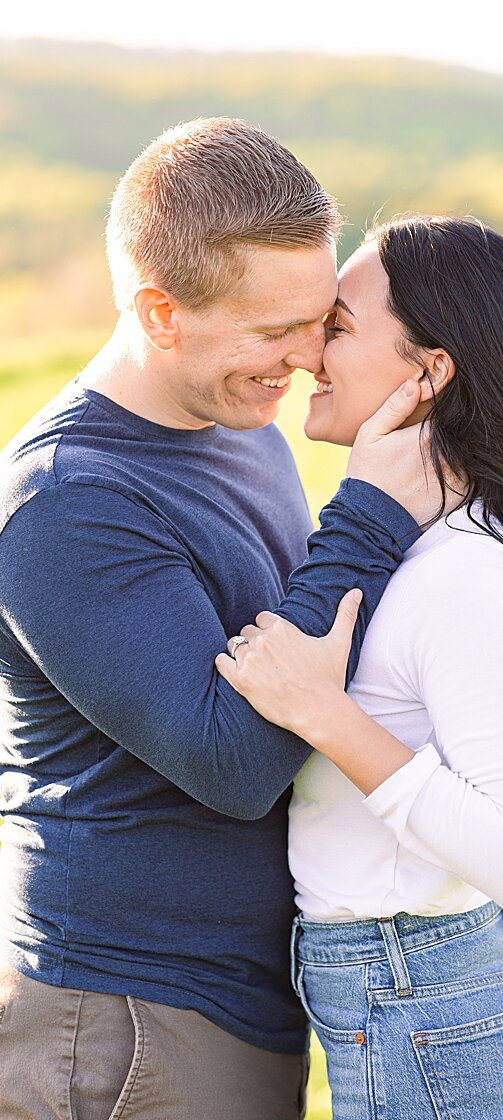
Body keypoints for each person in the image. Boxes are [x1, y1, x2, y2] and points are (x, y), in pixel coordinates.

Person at [0, 118, 437, 1118]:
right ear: (160, 311)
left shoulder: (244, 433)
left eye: (319, 322)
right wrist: (367, 513)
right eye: (271, 330)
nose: (303, 361)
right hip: (124, 1019)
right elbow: (235, 764)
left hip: (230, 1005)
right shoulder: (68, 499)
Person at [215, 215, 503, 1119]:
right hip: (417, 1008)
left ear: (430, 372)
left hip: (439, 1022)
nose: (309, 355)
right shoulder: (415, 546)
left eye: (339, 326)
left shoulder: (466, 573)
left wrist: (327, 716)